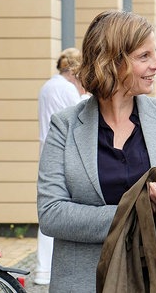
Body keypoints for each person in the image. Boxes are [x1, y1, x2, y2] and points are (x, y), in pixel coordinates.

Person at [36, 10, 156, 292]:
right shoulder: (64, 125)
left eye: (155, 54)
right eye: (144, 56)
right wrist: (135, 212)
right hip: (85, 283)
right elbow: (51, 213)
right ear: (112, 61)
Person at [35, 47, 90, 285]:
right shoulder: (67, 89)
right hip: (62, 152)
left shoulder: (47, 86)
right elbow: (81, 115)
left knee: (48, 208)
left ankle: (41, 269)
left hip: (46, 148)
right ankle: (46, 269)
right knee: (60, 210)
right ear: (75, 71)